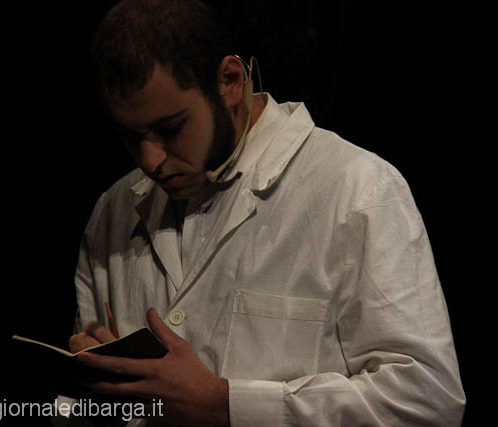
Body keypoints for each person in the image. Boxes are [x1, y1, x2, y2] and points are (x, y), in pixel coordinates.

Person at [54, 0, 465, 425]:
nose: (150, 160)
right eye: (130, 136)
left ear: (230, 81)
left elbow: (427, 400)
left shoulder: (356, 188)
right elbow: (79, 410)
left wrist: (224, 404)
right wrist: (96, 399)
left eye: (170, 129)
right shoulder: (114, 211)